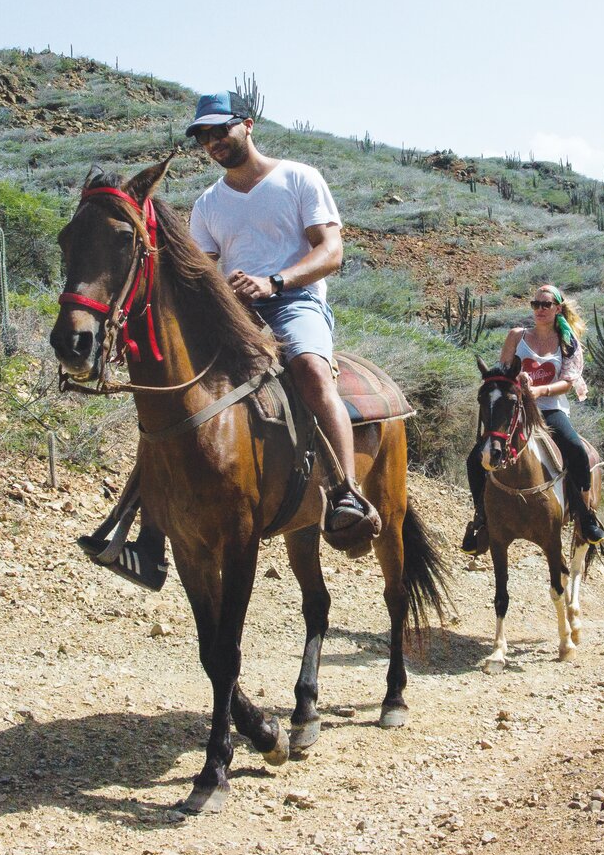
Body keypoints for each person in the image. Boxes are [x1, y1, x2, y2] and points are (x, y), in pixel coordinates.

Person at [78, 91, 379, 590]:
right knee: (177, 398)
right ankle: (148, 537)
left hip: (295, 301)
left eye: (221, 130)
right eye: (203, 136)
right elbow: (200, 273)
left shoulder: (298, 177)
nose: (213, 142)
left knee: (307, 368)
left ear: (248, 124)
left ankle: (346, 492)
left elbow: (331, 252)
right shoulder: (209, 203)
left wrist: (275, 282)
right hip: (235, 308)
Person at [461, 284, 604, 556]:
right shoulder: (517, 336)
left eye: (545, 304)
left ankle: (585, 516)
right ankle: (481, 518)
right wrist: (515, 383)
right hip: (515, 409)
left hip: (550, 409)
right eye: (535, 304)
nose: (539, 309)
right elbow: (503, 373)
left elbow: (568, 382)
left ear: (557, 308)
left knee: (575, 449)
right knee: (475, 458)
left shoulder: (568, 342)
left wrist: (539, 391)